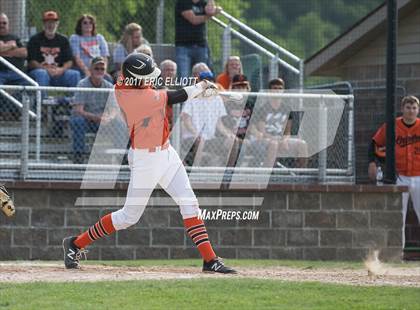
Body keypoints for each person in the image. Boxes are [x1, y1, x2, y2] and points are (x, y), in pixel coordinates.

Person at [63, 53, 236, 274]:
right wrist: (199, 88)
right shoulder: (133, 96)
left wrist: (198, 88)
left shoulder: (132, 82)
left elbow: (170, 89)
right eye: (146, 77)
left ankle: (210, 260)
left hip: (166, 152)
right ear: (135, 79)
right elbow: (174, 96)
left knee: (190, 203)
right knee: (128, 217)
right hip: (146, 159)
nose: (151, 80)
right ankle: (75, 244)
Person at [368, 95, 420, 243]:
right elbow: (374, 143)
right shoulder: (391, 126)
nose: (411, 111)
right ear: (402, 109)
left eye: (414, 108)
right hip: (399, 176)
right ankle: (398, 255)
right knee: (398, 217)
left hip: (419, 175)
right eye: (408, 107)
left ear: (418, 110)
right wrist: (372, 162)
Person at [253, 78, 308, 168]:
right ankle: (266, 175)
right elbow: (262, 132)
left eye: (280, 88)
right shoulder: (263, 108)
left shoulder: (287, 108)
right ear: (269, 91)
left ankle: (301, 174)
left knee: (302, 144)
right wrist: (278, 141)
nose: (277, 90)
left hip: (280, 139)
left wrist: (284, 140)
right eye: (275, 88)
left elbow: (287, 132)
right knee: (274, 144)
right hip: (265, 140)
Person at [181, 66, 229, 166]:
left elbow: (219, 124)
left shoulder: (218, 99)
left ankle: (227, 172)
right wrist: (196, 133)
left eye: (210, 81)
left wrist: (228, 134)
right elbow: (186, 120)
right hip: (191, 137)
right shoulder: (192, 97)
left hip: (210, 138)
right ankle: (196, 171)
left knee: (231, 141)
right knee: (200, 140)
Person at [69, 56, 114, 164]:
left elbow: (114, 109)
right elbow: (78, 110)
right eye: (96, 68)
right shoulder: (82, 84)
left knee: (120, 122)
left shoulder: (109, 86)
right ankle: (78, 154)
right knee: (77, 121)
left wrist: (108, 117)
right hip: (87, 120)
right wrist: (95, 117)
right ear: (90, 70)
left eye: (102, 69)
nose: (99, 71)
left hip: (102, 121)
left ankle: (122, 155)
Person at [27, 11, 80, 89]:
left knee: (74, 74)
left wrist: (61, 70)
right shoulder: (35, 39)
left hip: (58, 72)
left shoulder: (63, 40)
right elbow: (32, 62)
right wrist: (46, 69)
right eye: (48, 22)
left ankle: (73, 100)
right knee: (41, 74)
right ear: (44, 24)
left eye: (53, 22)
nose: (50, 25)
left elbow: (69, 61)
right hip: (41, 72)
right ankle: (42, 100)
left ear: (57, 24)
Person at [175, 0, 221, 78]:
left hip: (200, 45)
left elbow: (212, 10)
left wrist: (212, 4)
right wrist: (210, 15)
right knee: (184, 76)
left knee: (204, 75)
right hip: (183, 46)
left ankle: (204, 90)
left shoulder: (203, 3)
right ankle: (185, 90)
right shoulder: (183, 2)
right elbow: (194, 20)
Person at [69, 14, 111, 81]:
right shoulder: (75, 38)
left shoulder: (99, 38)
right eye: (85, 23)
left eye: (90, 23)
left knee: (108, 78)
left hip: (98, 69)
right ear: (80, 25)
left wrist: (103, 70)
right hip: (82, 70)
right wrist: (87, 71)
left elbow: (105, 56)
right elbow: (77, 58)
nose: (88, 25)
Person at [0, 13, 28, 85]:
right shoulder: (13, 43)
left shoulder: (15, 38)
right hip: (1, 73)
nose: (2, 25)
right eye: (0, 23)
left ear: (8, 25)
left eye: (4, 23)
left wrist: (3, 51)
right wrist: (12, 46)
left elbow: (24, 53)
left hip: (16, 72)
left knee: (30, 84)